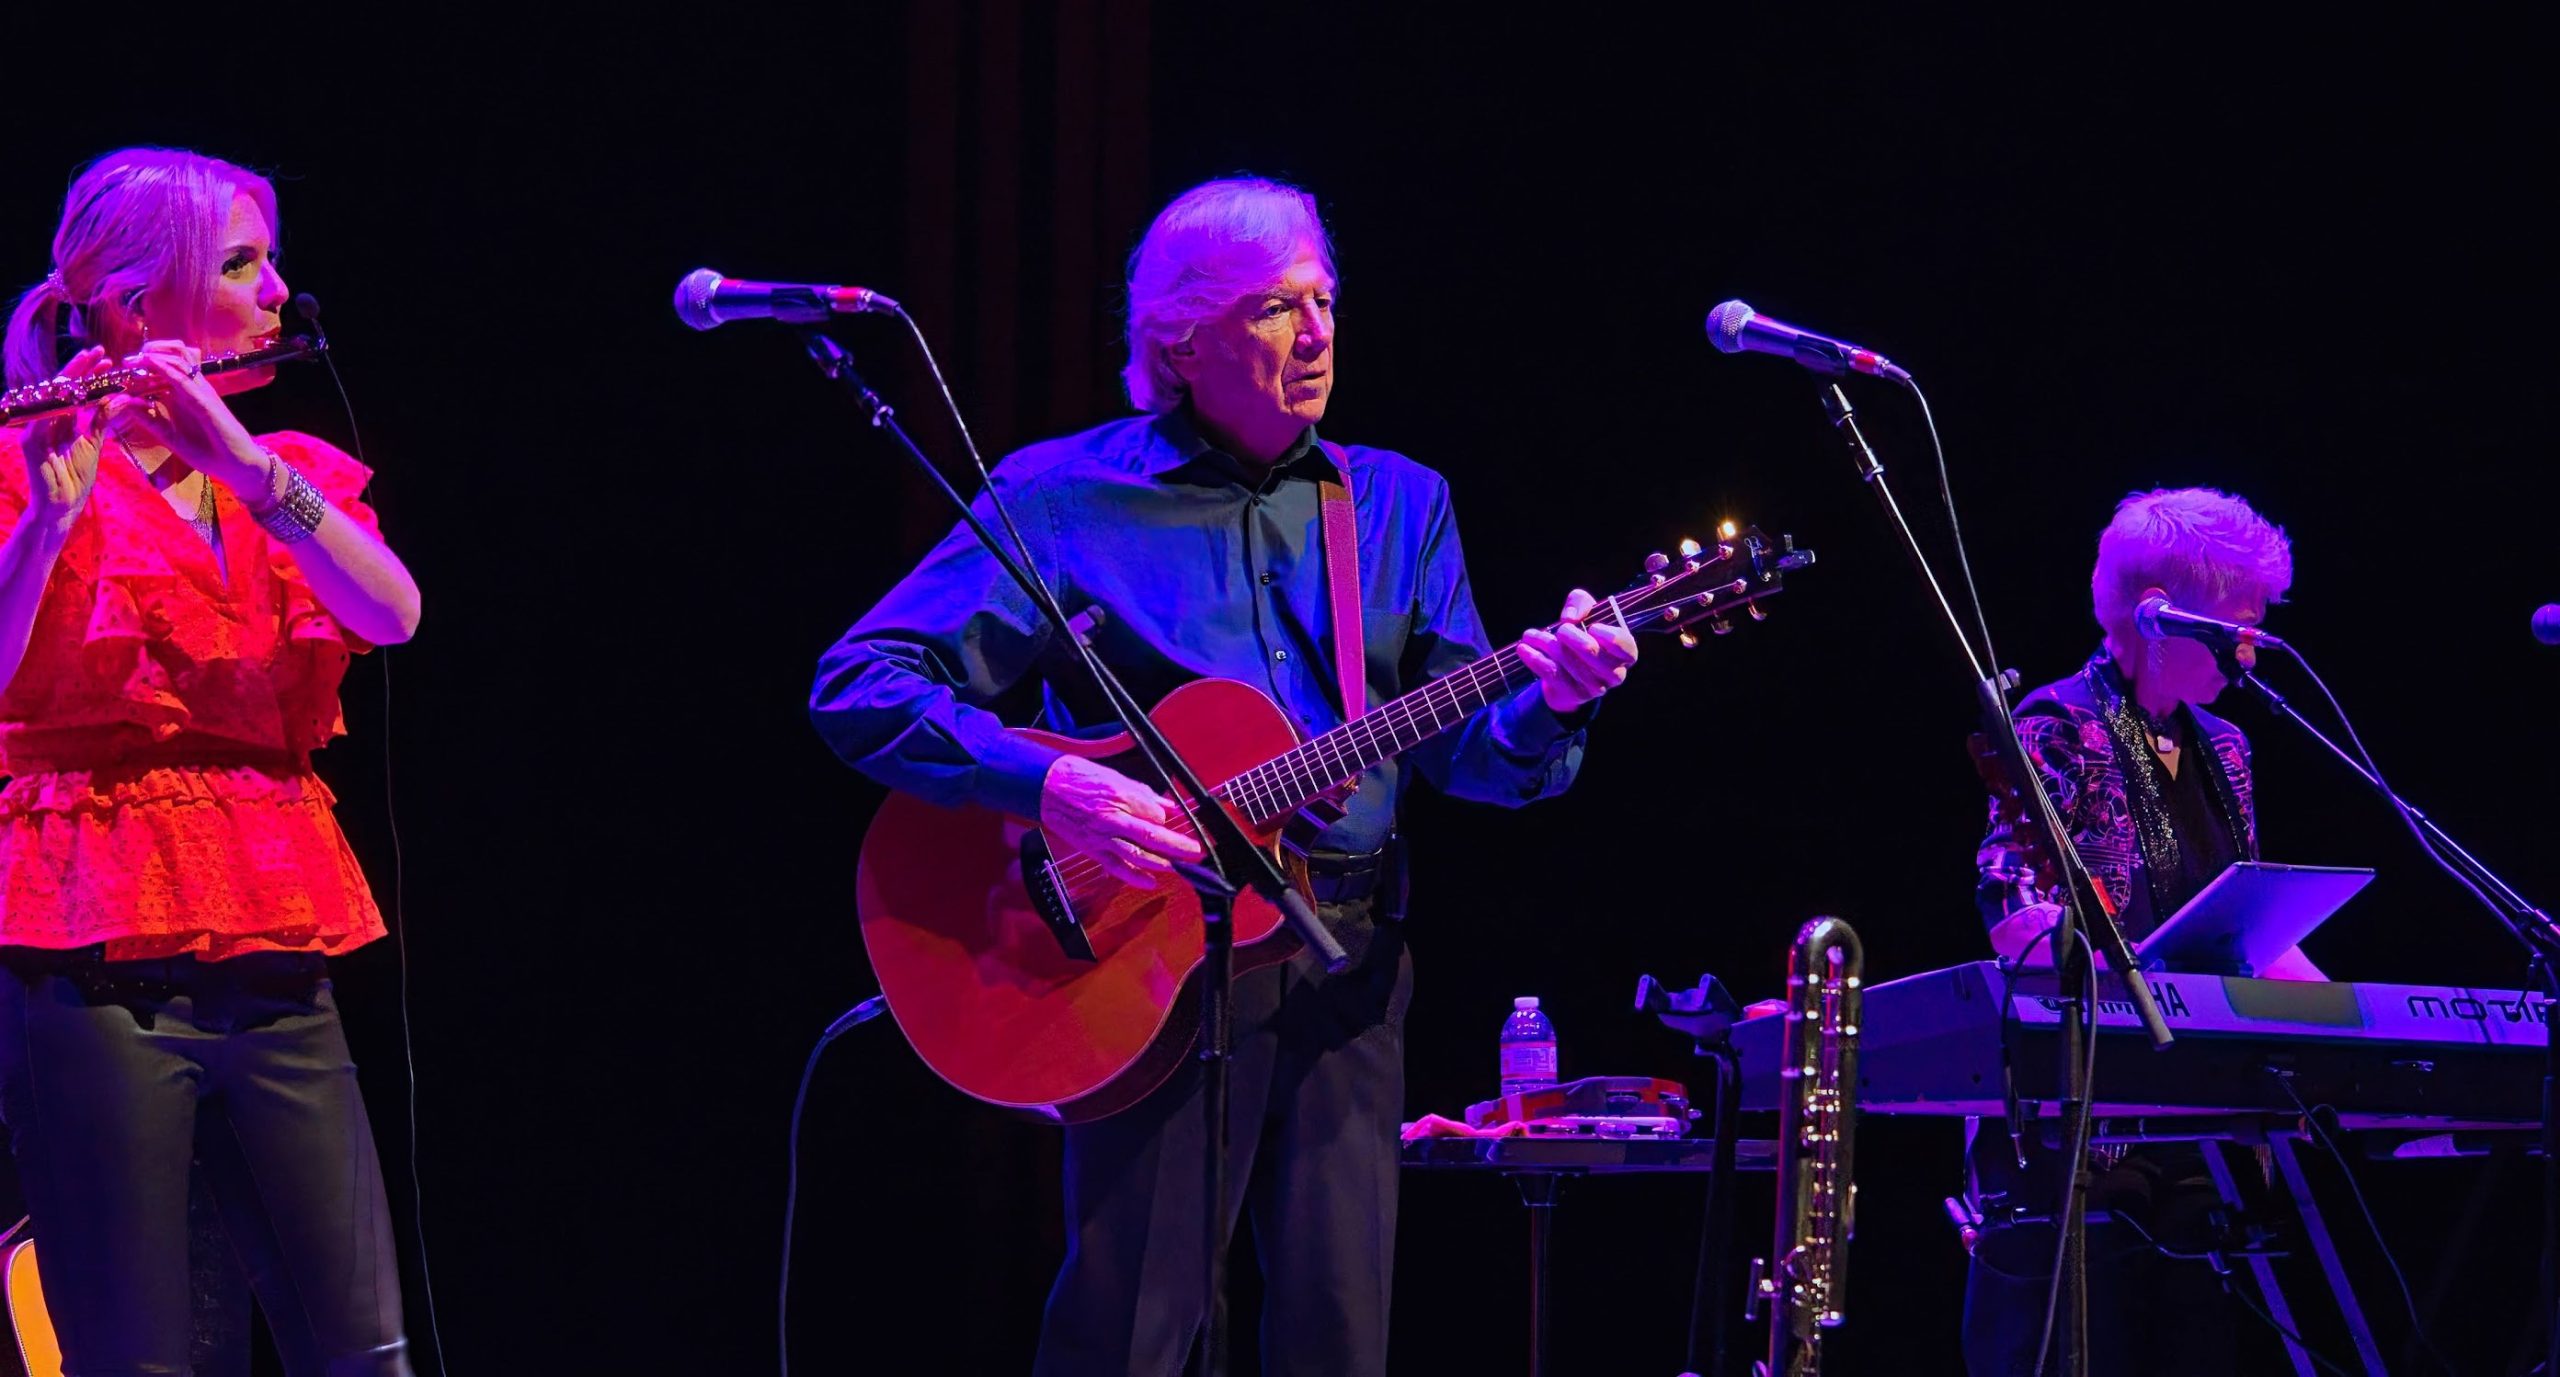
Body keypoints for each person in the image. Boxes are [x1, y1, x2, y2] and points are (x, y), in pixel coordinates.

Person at [810, 175, 1638, 1376]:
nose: (1315, 335)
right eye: (1273, 307)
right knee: (1130, 1339)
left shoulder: (1397, 505)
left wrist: (1554, 698)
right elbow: (861, 681)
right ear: (1180, 340)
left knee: (1336, 1341)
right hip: (1141, 958)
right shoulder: (1063, 496)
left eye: (1324, 300)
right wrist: (1046, 785)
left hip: (1346, 962)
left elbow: (1471, 756)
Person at [0, 147, 422, 1376]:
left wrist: (246, 464)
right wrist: (50, 522)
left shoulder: (282, 472)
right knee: (135, 1356)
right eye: (242, 265)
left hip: (277, 943)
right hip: (91, 958)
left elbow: (393, 611)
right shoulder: (28, 466)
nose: (279, 292)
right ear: (138, 308)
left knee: (366, 1352)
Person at [1961, 486, 2315, 1376]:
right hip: (2089, 1122)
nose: (2250, 650)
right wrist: (2082, 971)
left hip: (2204, 1112)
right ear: (2158, 616)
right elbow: (2011, 905)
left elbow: (2247, 928)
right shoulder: (2058, 725)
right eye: (2238, 628)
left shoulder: (2227, 747)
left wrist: (2349, 1023)